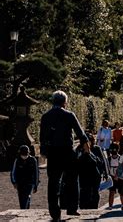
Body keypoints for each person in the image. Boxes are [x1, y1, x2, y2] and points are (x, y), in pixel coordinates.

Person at [40, 90, 89, 221]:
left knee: (53, 182)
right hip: (67, 151)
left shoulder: (46, 116)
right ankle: (72, 208)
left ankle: (54, 212)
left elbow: (42, 137)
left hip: (53, 152)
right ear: (64, 103)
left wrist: (44, 151)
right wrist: (86, 147)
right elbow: (80, 133)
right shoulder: (69, 115)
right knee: (72, 180)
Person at [77, 134, 103, 209]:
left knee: (94, 195)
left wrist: (89, 154)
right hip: (83, 177)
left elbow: (100, 161)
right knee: (83, 195)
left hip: (94, 177)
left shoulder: (96, 149)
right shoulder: (79, 149)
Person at [107, 143, 123, 211]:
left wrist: (118, 175)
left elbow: (122, 168)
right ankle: (110, 206)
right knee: (111, 192)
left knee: (121, 192)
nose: (113, 151)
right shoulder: (109, 159)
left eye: (114, 149)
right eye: (111, 149)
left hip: (120, 177)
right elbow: (107, 168)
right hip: (112, 178)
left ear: (117, 150)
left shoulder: (120, 158)